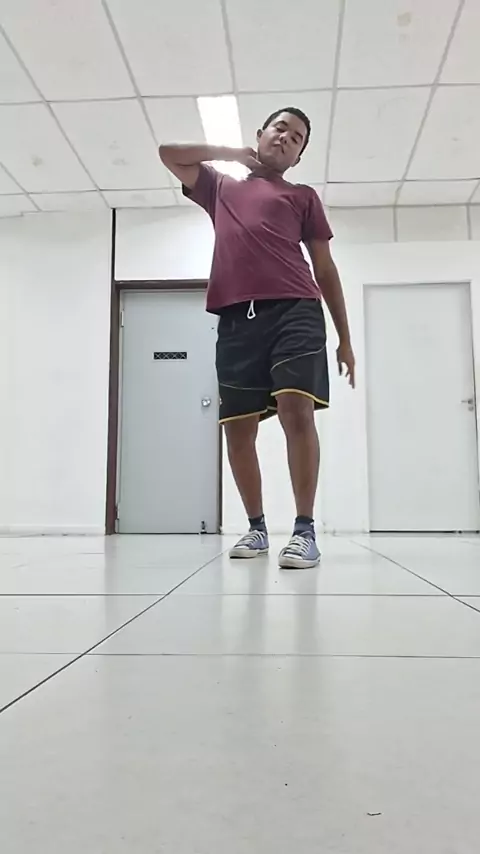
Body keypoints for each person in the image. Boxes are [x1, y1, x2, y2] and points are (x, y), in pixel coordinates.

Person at [159, 107, 355, 569]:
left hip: (296, 310)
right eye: (280, 128)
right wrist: (231, 153)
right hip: (236, 319)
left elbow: (325, 267)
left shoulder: (302, 196)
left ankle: (304, 531)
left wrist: (344, 338)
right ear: (261, 134)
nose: (286, 137)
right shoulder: (220, 186)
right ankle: (257, 528)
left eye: (297, 137)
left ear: (299, 156)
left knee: (295, 409)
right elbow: (169, 154)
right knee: (238, 427)